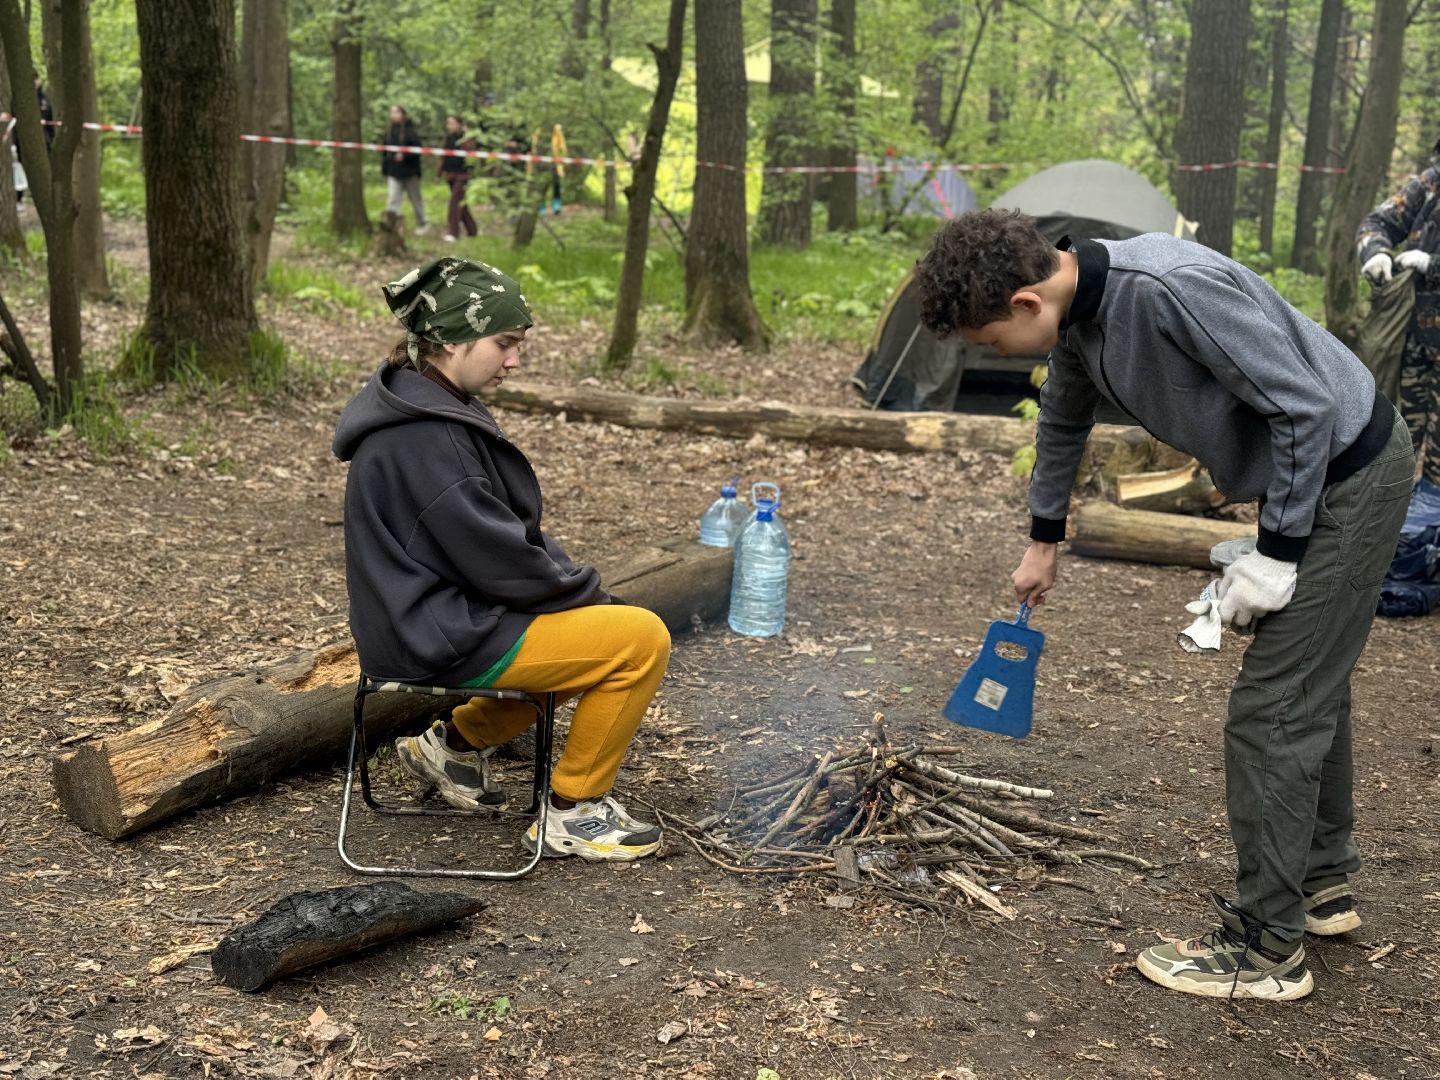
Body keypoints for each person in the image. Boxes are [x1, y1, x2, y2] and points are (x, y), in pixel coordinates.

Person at [914, 209, 1414, 1002]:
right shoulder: (1078, 313)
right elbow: (1063, 417)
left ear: (1022, 304)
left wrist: (1276, 554)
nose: (994, 358)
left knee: (1273, 708)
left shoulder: (1165, 289)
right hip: (1318, 475)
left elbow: (1306, 410)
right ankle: (1318, 884)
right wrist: (1044, 537)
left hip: (1350, 473)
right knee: (1308, 682)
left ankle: (1264, 948)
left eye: (987, 344)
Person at [333, 256, 670, 862]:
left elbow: (501, 541)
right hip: (435, 632)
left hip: (430, 617)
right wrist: (589, 596)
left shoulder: (420, 404)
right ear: (450, 339)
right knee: (638, 640)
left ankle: (453, 747)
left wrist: (580, 595)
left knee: (596, 632)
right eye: (504, 343)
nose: (515, 360)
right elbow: (501, 558)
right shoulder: (424, 438)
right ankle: (573, 812)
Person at [1357, 138, 1440, 486]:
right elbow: (1376, 222)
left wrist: (1433, 265)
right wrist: (1375, 252)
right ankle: (1391, 531)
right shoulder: (1430, 184)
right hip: (1414, 346)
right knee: (1392, 446)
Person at [380, 104, 427, 233]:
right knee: (393, 198)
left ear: (403, 115)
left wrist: (405, 155)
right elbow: (385, 152)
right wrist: (384, 169)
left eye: (396, 112)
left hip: (410, 171)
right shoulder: (389, 133)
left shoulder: (410, 132)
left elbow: (418, 150)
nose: (393, 115)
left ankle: (422, 222)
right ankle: (391, 224)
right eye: (392, 113)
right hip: (393, 172)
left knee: (415, 198)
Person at [437, 114, 478, 242]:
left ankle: (453, 232)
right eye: (448, 123)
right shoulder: (448, 138)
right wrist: (438, 173)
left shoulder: (467, 138)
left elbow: (472, 155)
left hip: (463, 175)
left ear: (459, 124)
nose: (449, 126)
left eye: (452, 123)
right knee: (462, 204)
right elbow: (443, 157)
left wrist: (467, 137)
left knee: (455, 203)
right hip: (451, 174)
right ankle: (473, 230)